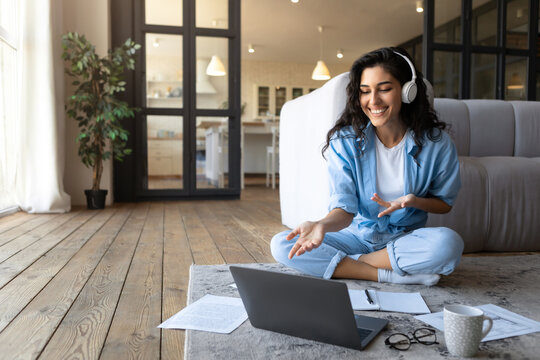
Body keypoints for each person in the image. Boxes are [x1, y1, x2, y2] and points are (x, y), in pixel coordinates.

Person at [271, 47, 463, 286]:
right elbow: (345, 210)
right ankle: (383, 273)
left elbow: (444, 203)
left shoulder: (436, 143)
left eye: (384, 89)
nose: (373, 101)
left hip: (405, 238)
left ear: (407, 92)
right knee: (281, 245)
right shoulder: (346, 142)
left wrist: (414, 201)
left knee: (448, 244)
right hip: (356, 236)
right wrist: (321, 224)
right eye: (365, 91)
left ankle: (352, 263)